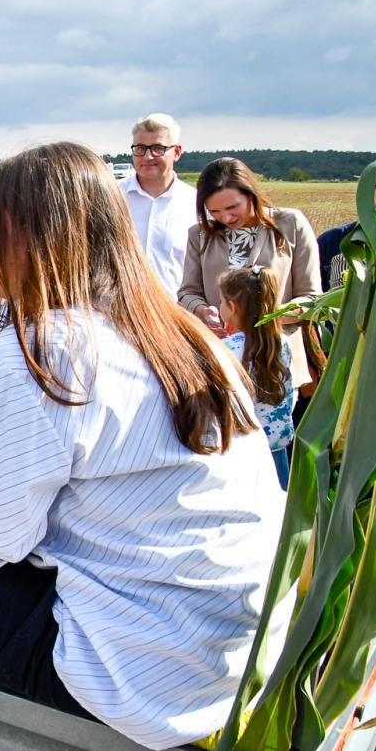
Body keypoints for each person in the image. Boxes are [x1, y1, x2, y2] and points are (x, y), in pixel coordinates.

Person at [0, 141, 286, 750]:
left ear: (38, 242)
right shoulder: (181, 337)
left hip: (130, 674)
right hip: (224, 654)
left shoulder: (36, 356)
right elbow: (100, 450)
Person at [179, 157, 320, 390]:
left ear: (251, 194)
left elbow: (312, 299)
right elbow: (187, 292)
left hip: (277, 365)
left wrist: (263, 319)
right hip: (219, 365)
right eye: (214, 211)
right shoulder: (199, 235)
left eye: (233, 207)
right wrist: (203, 312)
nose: (225, 218)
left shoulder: (290, 224)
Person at [218, 265, 296, 488]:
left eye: (223, 301)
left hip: (243, 451)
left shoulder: (228, 349)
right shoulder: (282, 345)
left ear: (232, 307)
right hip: (277, 449)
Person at [122, 112, 199, 293]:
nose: (148, 157)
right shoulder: (111, 197)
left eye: (158, 148)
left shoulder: (195, 203)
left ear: (177, 152)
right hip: (117, 315)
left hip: (177, 314)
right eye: (140, 148)